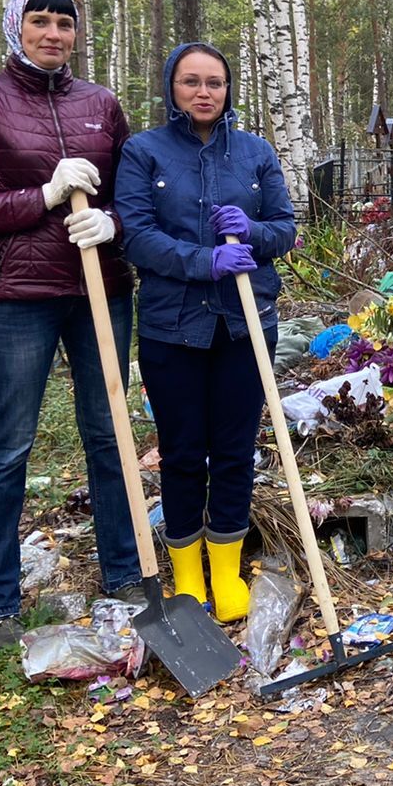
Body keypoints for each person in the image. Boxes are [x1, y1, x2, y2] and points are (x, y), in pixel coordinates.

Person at [0, 0, 141, 650]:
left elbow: (135, 195)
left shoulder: (100, 105)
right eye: (40, 21)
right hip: (15, 298)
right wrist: (43, 195)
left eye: (64, 23)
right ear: (17, 27)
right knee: (8, 445)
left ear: (77, 35)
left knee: (110, 436)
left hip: (99, 292)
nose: (53, 33)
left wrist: (113, 222)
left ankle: (126, 574)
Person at [116, 43, 296, 621]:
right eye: (191, 81)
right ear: (172, 87)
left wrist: (254, 232)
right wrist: (204, 260)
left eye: (214, 82)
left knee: (236, 448)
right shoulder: (143, 152)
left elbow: (284, 228)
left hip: (246, 325)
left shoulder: (255, 153)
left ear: (227, 89)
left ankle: (227, 569)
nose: (203, 92)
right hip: (174, 328)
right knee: (184, 452)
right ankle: (189, 576)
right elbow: (136, 235)